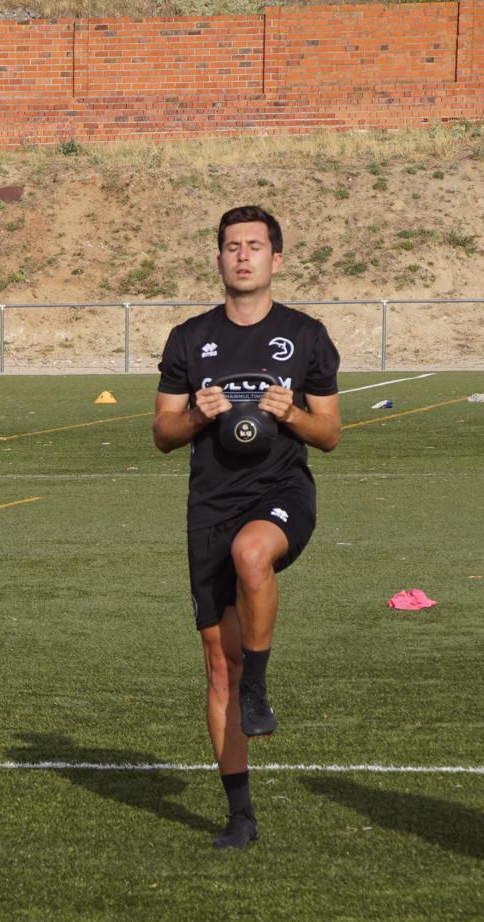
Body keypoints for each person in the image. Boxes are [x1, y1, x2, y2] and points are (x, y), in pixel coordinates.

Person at [152, 205, 341, 850]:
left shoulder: (306, 336)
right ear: (220, 258)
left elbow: (332, 434)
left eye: (255, 247)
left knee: (252, 553)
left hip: (282, 492)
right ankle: (240, 813)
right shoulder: (188, 339)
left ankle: (259, 687)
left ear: (275, 260)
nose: (242, 257)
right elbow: (161, 434)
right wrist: (198, 418)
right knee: (216, 665)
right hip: (210, 504)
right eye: (232, 246)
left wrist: (291, 414)